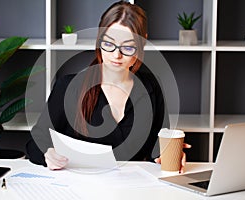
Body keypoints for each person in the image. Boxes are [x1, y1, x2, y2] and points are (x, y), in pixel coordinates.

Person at [26, 1, 190, 173]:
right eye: (109, 44)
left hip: (132, 187)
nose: (116, 55)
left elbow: (156, 147)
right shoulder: (69, 87)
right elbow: (35, 143)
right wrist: (48, 153)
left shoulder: (151, 87)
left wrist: (168, 154)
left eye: (127, 47)